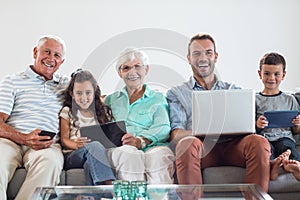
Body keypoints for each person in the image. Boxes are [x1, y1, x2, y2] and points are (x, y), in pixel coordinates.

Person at [166, 33, 271, 192]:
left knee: (259, 142)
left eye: (208, 53)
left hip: (234, 146)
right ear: (188, 58)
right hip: (201, 149)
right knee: (186, 144)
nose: (203, 58)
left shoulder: (233, 90)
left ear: (215, 56)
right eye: (197, 53)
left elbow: (250, 124)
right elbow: (176, 135)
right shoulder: (177, 93)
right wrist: (204, 130)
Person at [0, 35, 69, 200]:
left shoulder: (66, 85)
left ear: (61, 62)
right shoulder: (12, 81)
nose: (51, 58)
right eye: (46, 52)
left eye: (57, 55)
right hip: (10, 142)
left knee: (51, 162)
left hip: (47, 145)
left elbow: (91, 98)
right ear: (35, 52)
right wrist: (24, 138)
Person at [105, 48, 175, 184]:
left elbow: (163, 127)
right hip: (122, 149)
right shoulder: (111, 100)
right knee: (129, 153)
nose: (132, 72)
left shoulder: (157, 98)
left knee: (157, 158)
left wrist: (140, 141)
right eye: (126, 68)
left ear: (146, 69)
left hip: (153, 146)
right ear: (120, 73)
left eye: (137, 66)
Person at [59, 69, 116, 185]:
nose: (83, 97)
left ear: (94, 92)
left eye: (88, 92)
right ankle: (109, 186)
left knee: (90, 163)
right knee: (94, 146)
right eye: (79, 93)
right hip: (73, 155)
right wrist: (75, 144)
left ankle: (92, 196)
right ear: (72, 94)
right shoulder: (67, 111)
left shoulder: (102, 111)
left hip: (95, 155)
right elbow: (64, 139)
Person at [255, 52, 300, 180]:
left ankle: (293, 165)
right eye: (267, 73)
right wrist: (257, 124)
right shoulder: (255, 99)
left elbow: (296, 131)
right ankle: (274, 164)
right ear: (260, 74)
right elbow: (250, 127)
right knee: (266, 150)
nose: (271, 78)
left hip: (284, 136)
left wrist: (297, 125)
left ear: (283, 75)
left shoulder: (290, 99)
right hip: (265, 137)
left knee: (287, 147)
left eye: (276, 74)